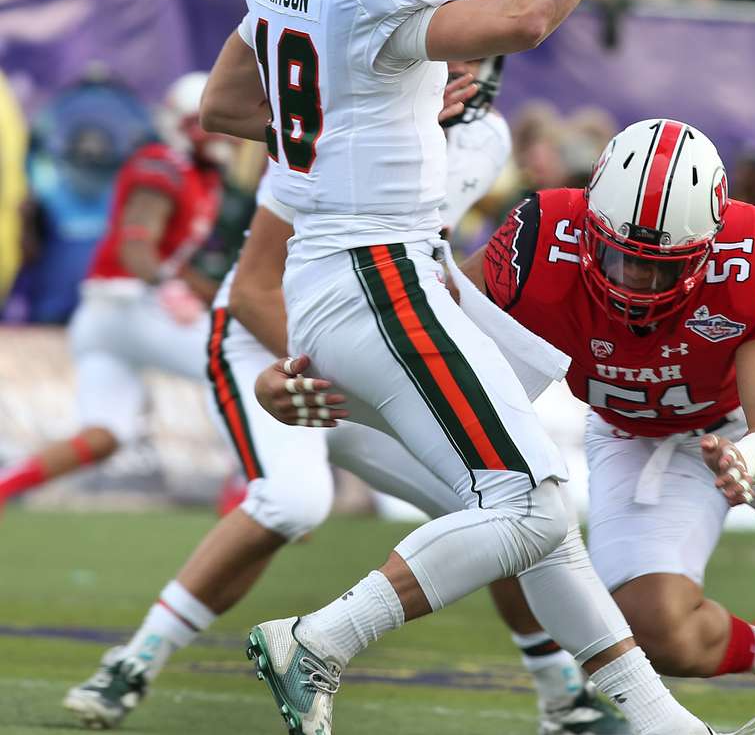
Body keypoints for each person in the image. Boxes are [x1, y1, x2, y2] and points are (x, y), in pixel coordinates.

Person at [199, 0, 755, 735]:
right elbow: (529, 16)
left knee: (532, 502)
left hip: (351, 269)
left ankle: (665, 726)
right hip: (377, 269)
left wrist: (362, 101)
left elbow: (225, 103)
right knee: (531, 506)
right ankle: (323, 639)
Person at [260, 118, 755, 735]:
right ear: (591, 223)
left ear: (709, 242)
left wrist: (754, 457)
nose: (637, 279)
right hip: (633, 434)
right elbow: (433, 337)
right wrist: (302, 382)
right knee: (654, 630)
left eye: (662, 264)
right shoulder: (538, 238)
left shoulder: (752, 255)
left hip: (743, 425)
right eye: (621, 256)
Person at [63, 71, 628, 735]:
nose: (459, 73)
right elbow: (252, 291)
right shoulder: (346, 123)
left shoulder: (483, 137)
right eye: (448, 48)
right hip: (268, 340)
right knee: (294, 501)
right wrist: (326, 377)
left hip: (372, 343)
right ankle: (130, 664)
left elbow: (429, 268)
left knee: (507, 502)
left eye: (474, 56)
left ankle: (562, 695)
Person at [0, 75, 226, 507]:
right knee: (240, 370)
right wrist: (169, 287)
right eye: (204, 122)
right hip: (130, 305)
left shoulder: (201, 175)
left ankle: (3, 489)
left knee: (105, 434)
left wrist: (208, 290)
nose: (217, 133)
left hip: (104, 316)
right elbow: (136, 243)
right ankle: (253, 494)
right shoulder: (163, 164)